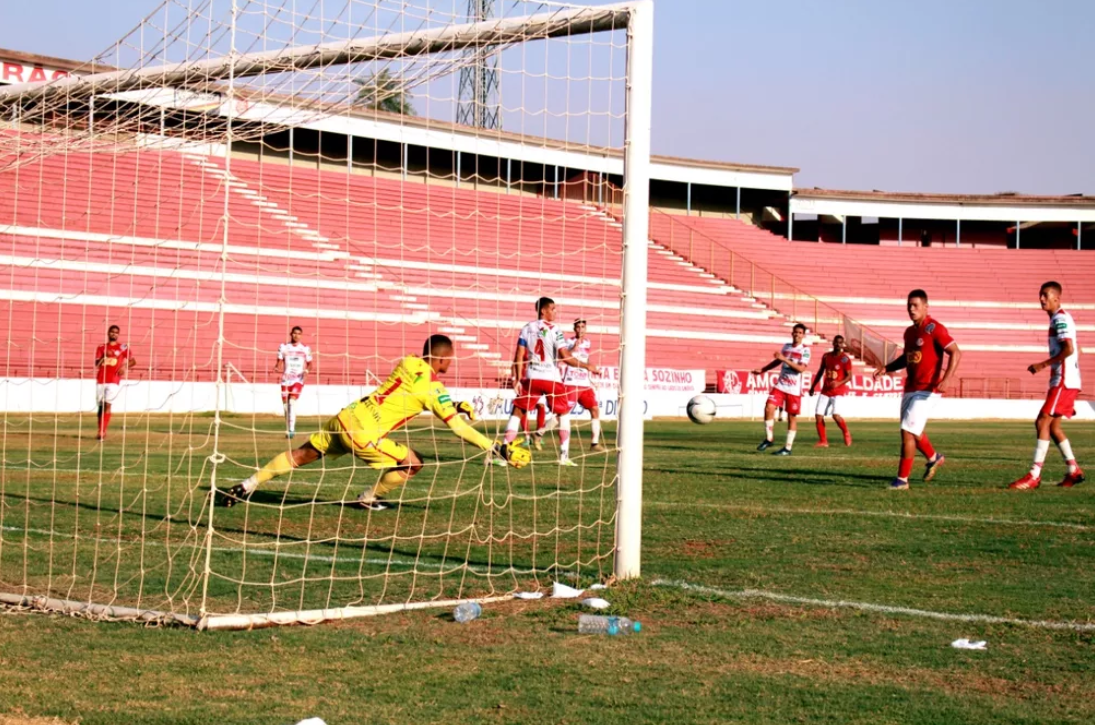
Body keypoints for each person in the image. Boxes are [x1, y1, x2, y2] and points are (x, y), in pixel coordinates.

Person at [223, 335, 529, 509]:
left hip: (346, 417)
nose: (451, 362)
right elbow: (457, 427)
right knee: (414, 463)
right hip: (364, 433)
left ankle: (246, 485)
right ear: (442, 358)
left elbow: (417, 393)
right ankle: (369, 498)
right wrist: (496, 447)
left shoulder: (408, 362)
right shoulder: (433, 389)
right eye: (450, 358)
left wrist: (455, 404)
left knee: (302, 454)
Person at [874, 289, 961, 490]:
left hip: (928, 390)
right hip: (910, 388)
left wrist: (946, 379)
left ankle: (902, 480)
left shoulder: (935, 328)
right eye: (909, 306)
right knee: (913, 430)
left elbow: (956, 352)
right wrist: (887, 368)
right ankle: (934, 457)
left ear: (925, 307)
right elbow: (907, 358)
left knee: (907, 431)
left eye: (915, 305)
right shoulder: (910, 332)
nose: (911, 309)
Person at [505, 297, 599, 466]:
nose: (556, 312)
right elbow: (565, 356)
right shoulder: (555, 329)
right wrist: (586, 366)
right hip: (551, 378)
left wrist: (517, 379)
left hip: (532, 377)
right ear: (543, 311)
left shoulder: (527, 328)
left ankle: (503, 453)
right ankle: (564, 456)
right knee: (563, 413)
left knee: (517, 412)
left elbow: (519, 355)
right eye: (553, 309)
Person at [1009, 281, 1085, 490]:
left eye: (1045, 295)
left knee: (1042, 422)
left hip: (1063, 379)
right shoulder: (1061, 318)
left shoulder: (1060, 318)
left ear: (1057, 298)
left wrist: (1043, 364)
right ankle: (1073, 470)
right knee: (1053, 426)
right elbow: (1076, 348)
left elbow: (1068, 348)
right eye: (1040, 295)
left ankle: (1034, 475)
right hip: (1066, 378)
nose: (1041, 299)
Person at [752, 323, 811, 455]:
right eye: (795, 332)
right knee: (769, 407)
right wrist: (763, 369)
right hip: (781, 385)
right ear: (792, 333)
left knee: (792, 418)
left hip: (794, 389)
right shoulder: (787, 346)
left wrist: (785, 359)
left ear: (803, 335)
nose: (797, 334)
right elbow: (778, 361)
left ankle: (787, 448)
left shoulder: (805, 350)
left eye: (800, 333)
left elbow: (801, 369)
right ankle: (769, 438)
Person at [559, 318, 606, 453]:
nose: (581, 329)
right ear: (575, 329)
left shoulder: (588, 342)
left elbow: (586, 359)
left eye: (583, 327)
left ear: (586, 329)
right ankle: (539, 433)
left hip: (584, 383)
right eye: (578, 327)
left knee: (595, 409)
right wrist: (574, 346)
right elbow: (566, 356)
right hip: (571, 382)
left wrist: (592, 371)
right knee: (562, 414)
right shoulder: (568, 341)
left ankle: (594, 443)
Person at [809, 334, 853, 447]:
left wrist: (838, 383)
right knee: (818, 415)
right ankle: (823, 441)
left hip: (838, 391)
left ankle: (846, 432)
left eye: (840, 342)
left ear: (842, 344)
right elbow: (820, 371)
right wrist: (813, 386)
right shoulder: (826, 356)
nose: (838, 344)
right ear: (833, 343)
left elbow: (849, 376)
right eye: (836, 342)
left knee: (835, 415)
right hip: (825, 390)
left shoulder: (845, 359)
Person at [94, 325, 136, 441]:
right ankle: (100, 429)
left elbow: (133, 361)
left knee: (108, 404)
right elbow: (96, 364)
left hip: (114, 380)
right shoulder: (101, 347)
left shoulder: (123, 347)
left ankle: (102, 431)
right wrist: (104, 356)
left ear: (118, 334)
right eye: (112, 332)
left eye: (116, 332)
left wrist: (125, 367)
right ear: (108, 333)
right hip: (101, 379)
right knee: (101, 406)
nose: (114, 334)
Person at [274, 326, 312, 439]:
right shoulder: (284, 347)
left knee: (292, 402)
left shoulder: (305, 348)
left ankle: (291, 430)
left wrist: (306, 370)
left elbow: (310, 364)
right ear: (291, 334)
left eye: (299, 334)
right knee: (286, 407)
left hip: (298, 379)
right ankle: (288, 427)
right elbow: (279, 362)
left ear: (301, 335)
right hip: (286, 380)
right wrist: (277, 367)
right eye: (294, 333)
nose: (296, 335)